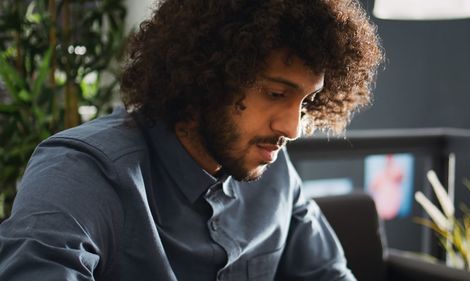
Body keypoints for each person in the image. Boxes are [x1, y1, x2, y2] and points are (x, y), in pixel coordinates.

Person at [0, 0, 382, 280]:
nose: (293, 127)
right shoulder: (83, 171)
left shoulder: (275, 172)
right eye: (275, 94)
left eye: (307, 102)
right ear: (208, 76)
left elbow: (328, 276)